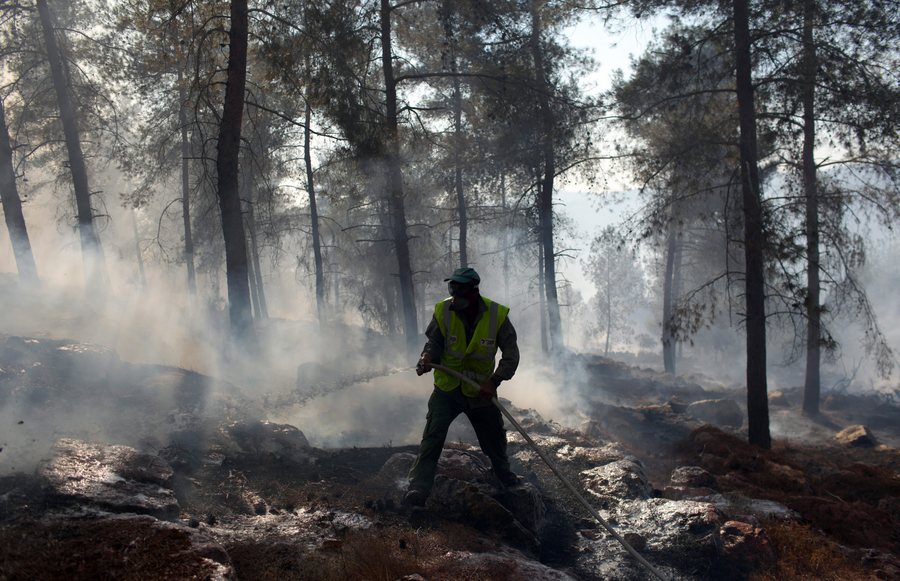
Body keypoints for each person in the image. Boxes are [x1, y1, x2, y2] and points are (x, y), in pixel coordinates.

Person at [404, 267, 520, 507]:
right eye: (452, 289)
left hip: (480, 391)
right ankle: (418, 487)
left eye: (460, 290)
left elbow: (511, 354)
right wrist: (427, 358)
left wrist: (494, 380)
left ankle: (504, 476)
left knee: (494, 439)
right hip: (447, 390)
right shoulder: (443, 311)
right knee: (433, 436)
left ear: (474, 291)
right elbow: (434, 342)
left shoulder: (497, 315)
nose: (455, 296)